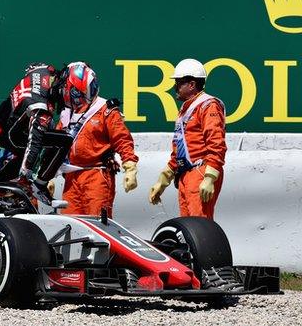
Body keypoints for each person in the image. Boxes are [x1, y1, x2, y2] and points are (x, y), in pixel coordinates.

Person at [0, 62, 73, 205]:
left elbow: (30, 68)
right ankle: (38, 185)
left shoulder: (44, 70)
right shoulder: (42, 109)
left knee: (32, 144)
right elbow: (34, 143)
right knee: (64, 141)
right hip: (8, 135)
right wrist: (26, 176)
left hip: (0, 122)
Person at [56, 62, 138, 217]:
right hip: (71, 177)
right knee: (71, 224)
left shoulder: (105, 110)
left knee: (98, 226)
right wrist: (50, 176)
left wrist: (130, 167)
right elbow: (55, 146)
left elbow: (122, 139)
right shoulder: (66, 114)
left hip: (97, 175)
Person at [149, 58, 227, 220]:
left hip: (200, 172)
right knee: (189, 228)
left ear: (191, 85)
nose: (175, 87)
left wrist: (210, 177)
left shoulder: (208, 106)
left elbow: (216, 143)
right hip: (186, 175)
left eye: (178, 82)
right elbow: (179, 151)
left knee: (200, 227)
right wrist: (163, 181)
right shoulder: (186, 109)